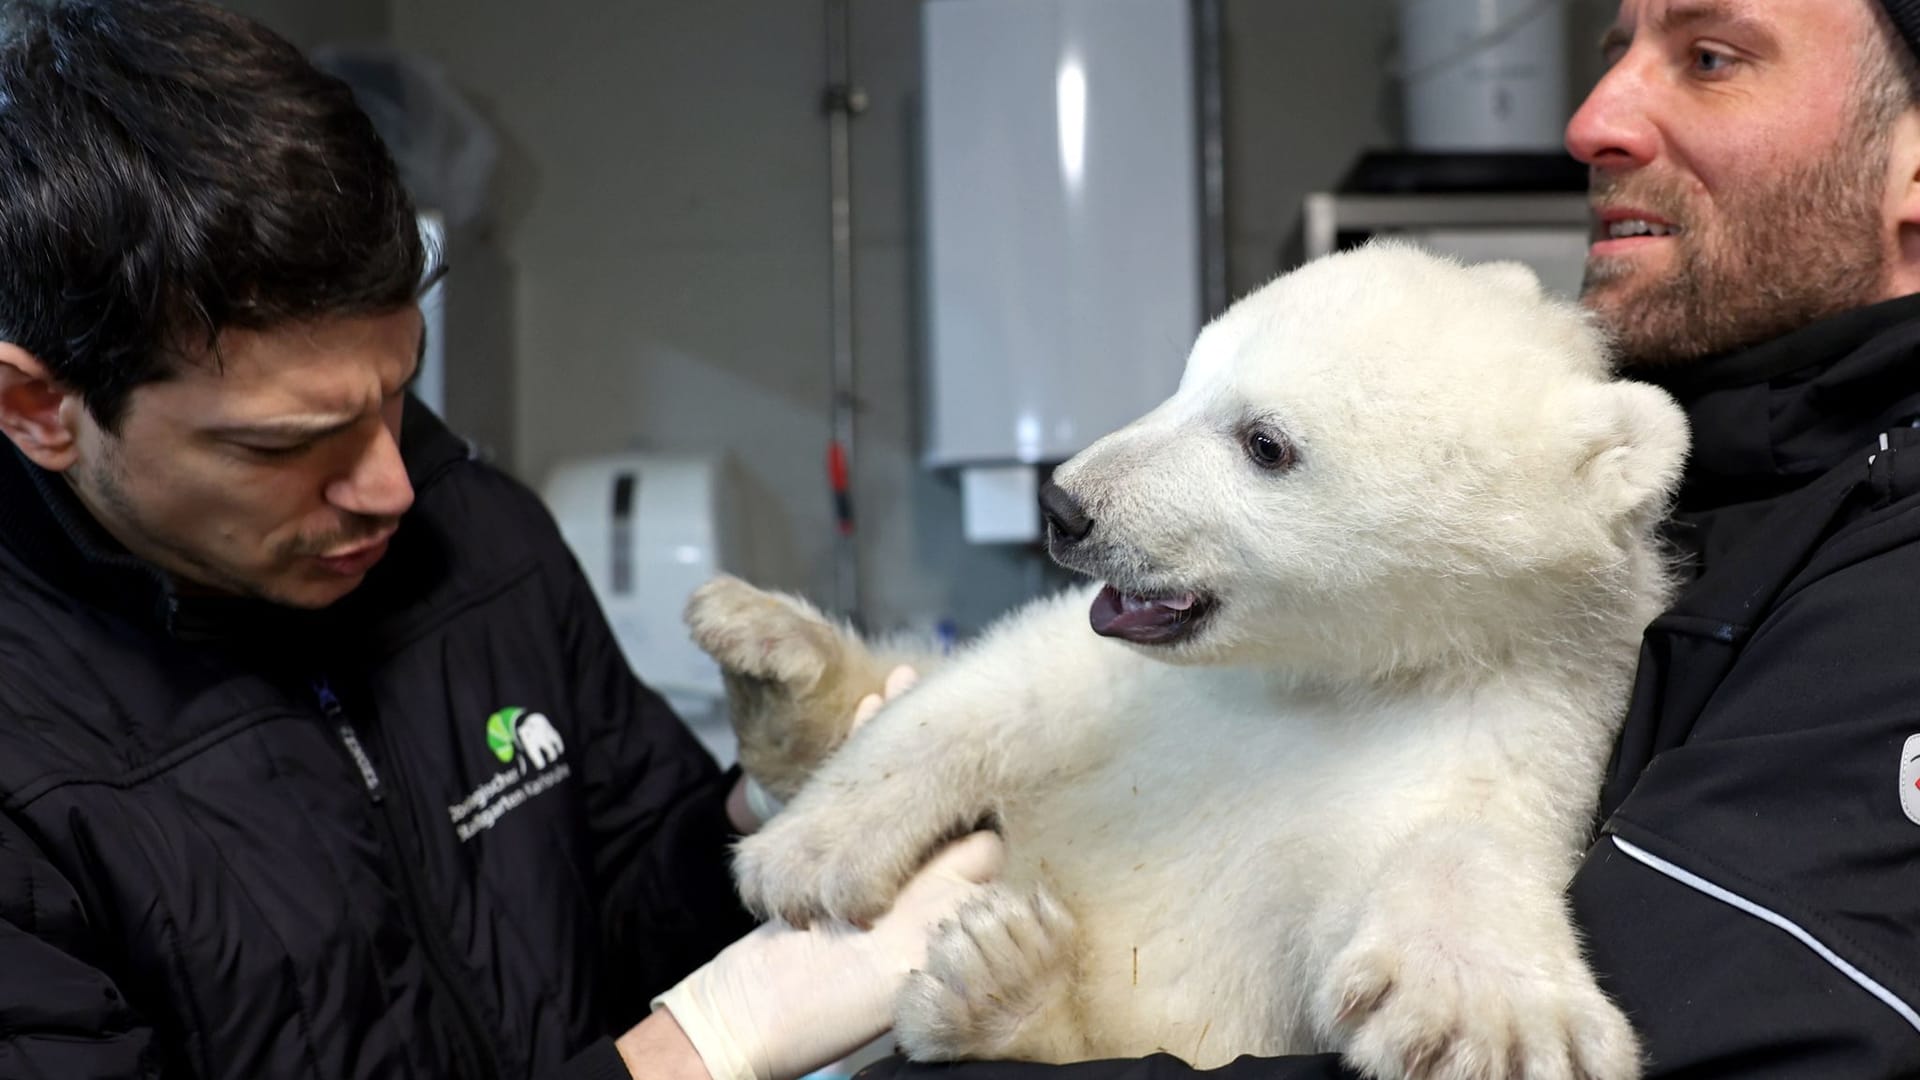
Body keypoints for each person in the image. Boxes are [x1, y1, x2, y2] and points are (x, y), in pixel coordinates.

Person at [839, 0, 1920, 1078]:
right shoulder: (1688, 481)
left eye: (1711, 58)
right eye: (1614, 53)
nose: (1592, 118)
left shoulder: (1883, 587)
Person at [0, 1, 1001, 1078]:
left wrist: (770, 805)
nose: (388, 485)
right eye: (288, 444)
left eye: (396, 390)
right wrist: (709, 1042)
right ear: (40, 409)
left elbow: (622, 903)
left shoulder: (477, 538)